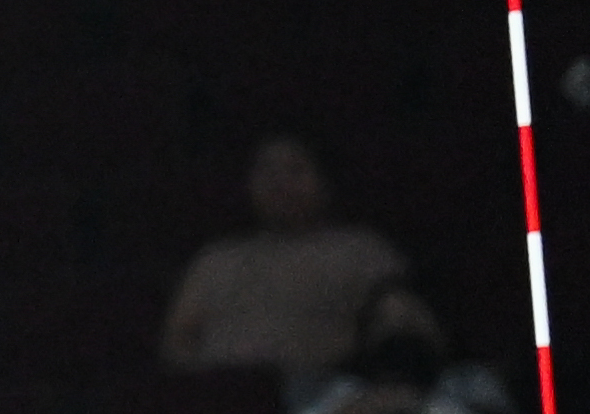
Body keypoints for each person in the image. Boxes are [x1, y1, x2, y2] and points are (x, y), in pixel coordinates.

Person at [158, 133, 408, 392]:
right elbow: (179, 338)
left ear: (323, 183)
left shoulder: (360, 251)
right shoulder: (215, 260)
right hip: (218, 397)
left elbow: (399, 321)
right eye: (266, 171)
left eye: (295, 170)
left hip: (317, 399)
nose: (279, 183)